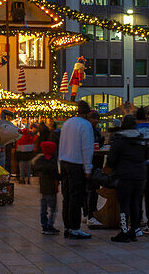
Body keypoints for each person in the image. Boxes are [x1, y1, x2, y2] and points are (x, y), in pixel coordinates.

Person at [58, 101, 96, 240]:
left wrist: (60, 162)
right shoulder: (85, 125)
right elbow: (87, 148)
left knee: (66, 196)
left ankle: (68, 227)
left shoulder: (67, 123)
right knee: (76, 197)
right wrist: (88, 168)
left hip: (65, 162)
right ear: (87, 113)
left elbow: (61, 143)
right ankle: (75, 228)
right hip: (77, 164)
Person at [107, 115, 146, 243]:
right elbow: (146, 155)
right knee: (136, 203)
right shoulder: (141, 139)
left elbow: (111, 160)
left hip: (124, 175)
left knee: (124, 205)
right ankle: (133, 231)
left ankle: (124, 232)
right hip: (139, 176)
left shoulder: (119, 139)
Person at [32, 140, 60, 235]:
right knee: (53, 208)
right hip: (51, 187)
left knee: (43, 208)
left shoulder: (40, 160)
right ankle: (49, 226)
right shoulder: (52, 161)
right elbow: (55, 174)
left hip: (43, 187)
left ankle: (44, 225)